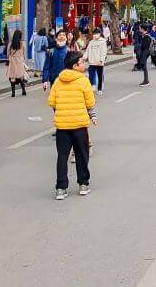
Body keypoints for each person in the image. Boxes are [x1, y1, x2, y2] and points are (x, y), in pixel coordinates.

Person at [47, 51, 97, 200]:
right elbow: (90, 102)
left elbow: (51, 101)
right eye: (82, 62)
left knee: (62, 156)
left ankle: (61, 188)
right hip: (79, 126)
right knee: (82, 155)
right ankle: (83, 184)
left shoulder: (58, 80)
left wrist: (61, 111)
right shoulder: (83, 81)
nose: (84, 64)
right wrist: (92, 116)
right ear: (75, 66)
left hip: (62, 126)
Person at [84, 27, 107, 92]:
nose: (95, 35)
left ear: (99, 34)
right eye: (94, 34)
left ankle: (100, 88)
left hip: (99, 62)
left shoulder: (103, 42)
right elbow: (87, 51)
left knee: (100, 76)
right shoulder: (91, 42)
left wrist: (101, 60)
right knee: (91, 75)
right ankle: (93, 85)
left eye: (96, 33)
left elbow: (104, 52)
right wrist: (84, 57)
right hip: (92, 62)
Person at [7, 29, 28, 97]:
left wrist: (10, 58)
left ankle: (13, 93)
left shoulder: (10, 44)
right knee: (21, 76)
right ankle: (23, 90)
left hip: (13, 61)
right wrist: (23, 59)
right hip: (20, 60)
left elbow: (8, 53)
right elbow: (24, 53)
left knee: (12, 76)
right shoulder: (22, 43)